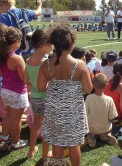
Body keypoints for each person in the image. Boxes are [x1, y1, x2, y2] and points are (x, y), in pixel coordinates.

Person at [37, 24, 92, 166]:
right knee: (74, 143)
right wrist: (73, 90)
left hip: (53, 109)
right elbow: (88, 88)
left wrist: (55, 87)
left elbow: (41, 87)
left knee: (57, 141)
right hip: (72, 109)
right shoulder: (79, 65)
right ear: (71, 44)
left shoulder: (46, 65)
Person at [0, 27, 29, 150]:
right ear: (16, 42)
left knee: (8, 115)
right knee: (16, 120)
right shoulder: (17, 58)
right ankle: (16, 142)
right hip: (17, 92)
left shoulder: (1, 56)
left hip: (5, 90)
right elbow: (24, 78)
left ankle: (4, 137)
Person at [25, 29, 53, 158]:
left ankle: (31, 151)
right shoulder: (45, 62)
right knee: (47, 128)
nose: (52, 46)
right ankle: (45, 155)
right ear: (42, 44)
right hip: (45, 98)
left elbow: (26, 80)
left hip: (35, 97)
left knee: (36, 125)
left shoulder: (29, 60)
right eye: (50, 43)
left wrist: (33, 88)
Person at [86, 73, 118, 147]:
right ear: (106, 85)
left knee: (90, 130)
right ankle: (105, 135)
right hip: (105, 128)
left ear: (93, 85)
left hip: (92, 128)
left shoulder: (89, 98)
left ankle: (92, 137)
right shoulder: (109, 100)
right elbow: (112, 117)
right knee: (110, 126)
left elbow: (85, 113)